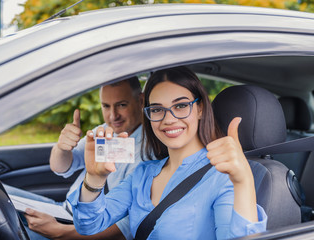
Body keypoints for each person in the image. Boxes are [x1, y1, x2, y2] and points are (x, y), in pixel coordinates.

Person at [68, 66, 267, 239]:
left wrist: (244, 181)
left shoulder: (222, 177)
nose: (168, 119)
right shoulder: (142, 174)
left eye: (180, 106)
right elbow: (89, 226)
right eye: (156, 109)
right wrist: (94, 179)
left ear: (199, 108)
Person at [6, 77, 144, 240]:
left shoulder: (149, 151)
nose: (113, 116)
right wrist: (62, 148)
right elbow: (61, 167)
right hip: (64, 211)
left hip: (80, 231)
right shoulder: (107, 130)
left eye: (122, 105)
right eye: (106, 106)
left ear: (141, 100)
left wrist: (60, 233)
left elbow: (128, 226)